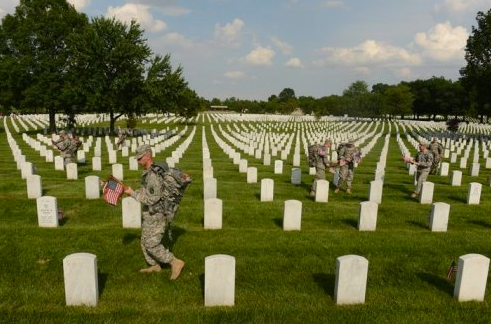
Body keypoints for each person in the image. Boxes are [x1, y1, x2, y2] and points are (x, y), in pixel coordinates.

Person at [123, 144, 185, 280]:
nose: (138, 161)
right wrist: (131, 190)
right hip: (150, 214)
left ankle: (174, 262)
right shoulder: (149, 172)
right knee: (144, 240)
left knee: (151, 243)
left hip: (157, 214)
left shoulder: (153, 176)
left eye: (140, 158)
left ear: (148, 156)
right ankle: (155, 265)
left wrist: (133, 194)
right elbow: (147, 192)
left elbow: (153, 199)